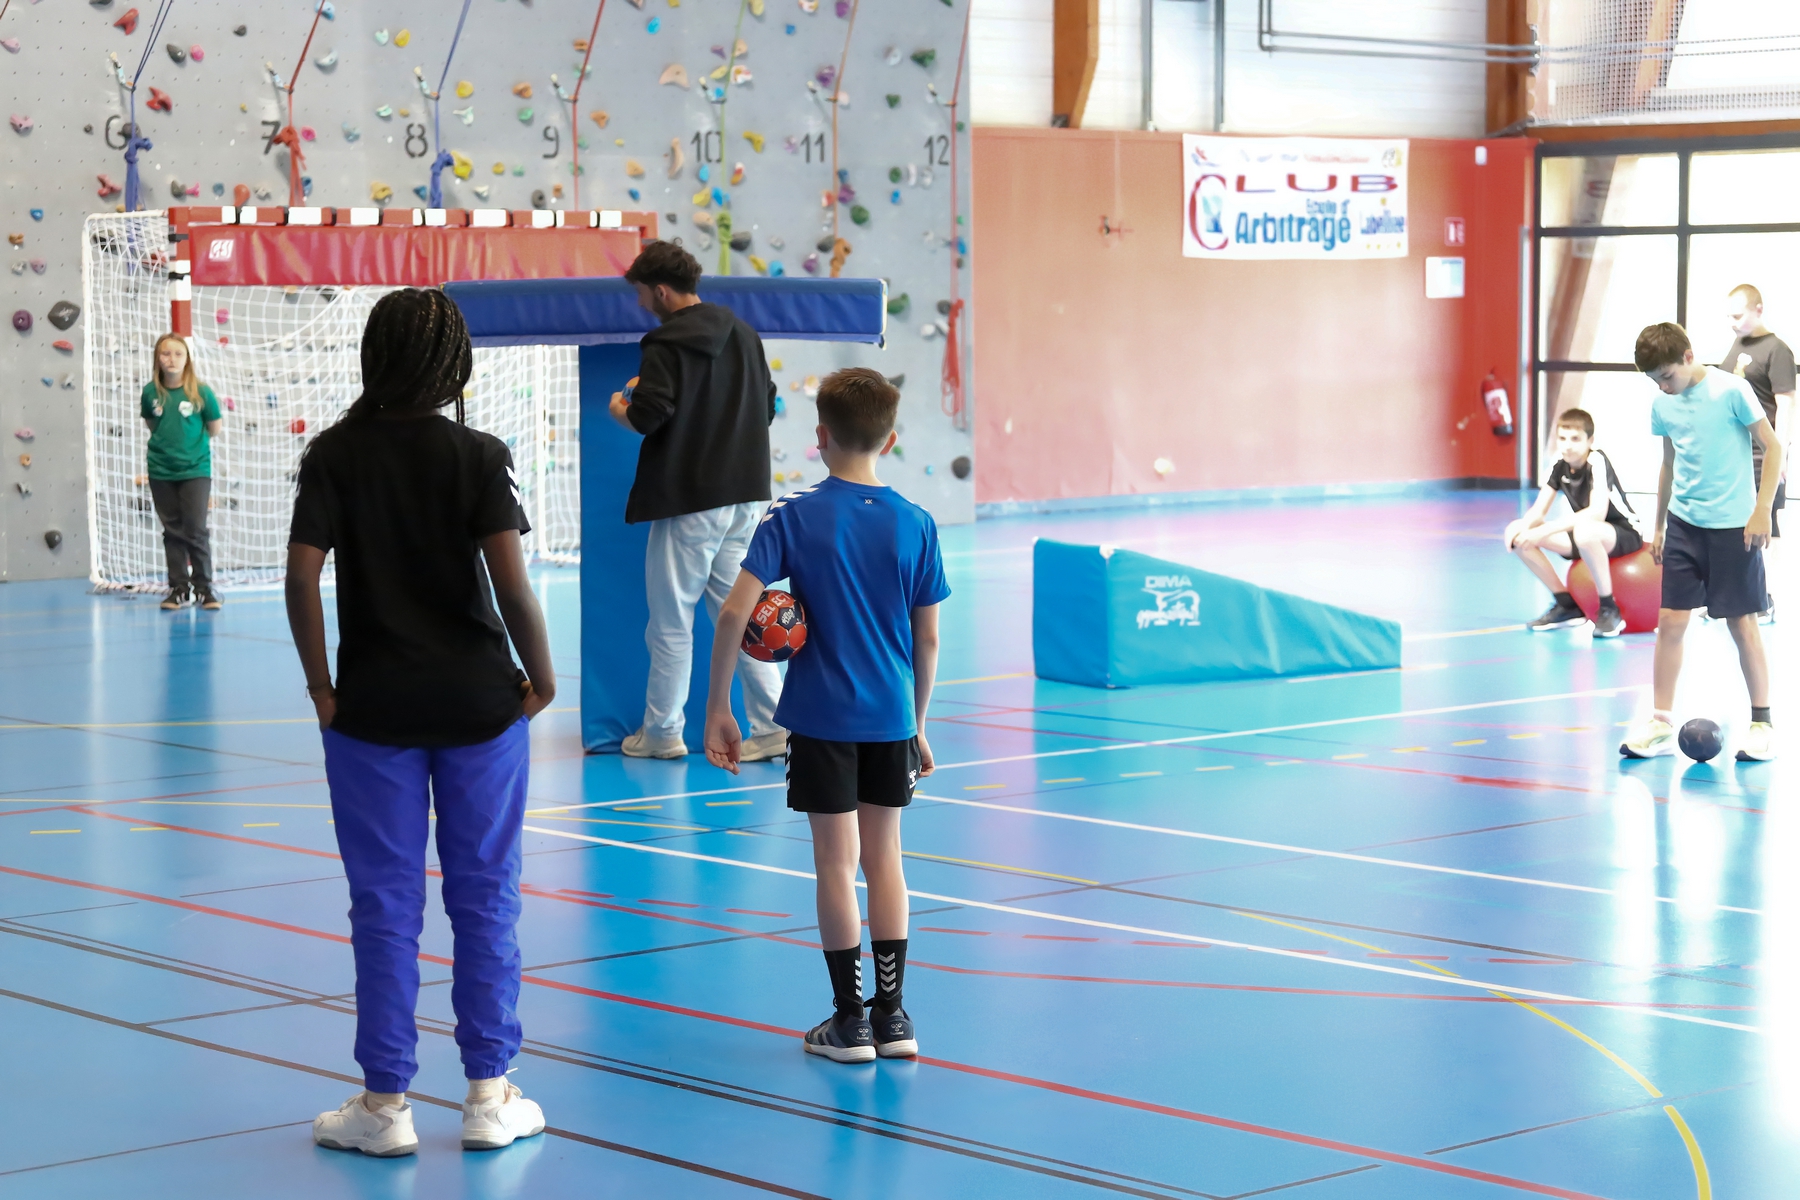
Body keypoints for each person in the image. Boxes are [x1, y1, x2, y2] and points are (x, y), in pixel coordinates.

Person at [285, 289, 556, 1157]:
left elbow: (301, 579)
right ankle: (487, 1095)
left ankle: (384, 1105)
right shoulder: (479, 453)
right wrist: (542, 675)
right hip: (480, 706)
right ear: (452, 365)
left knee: (384, 904)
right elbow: (512, 584)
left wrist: (323, 689)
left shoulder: (333, 454)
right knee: (485, 898)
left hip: (372, 713)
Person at [702, 368, 948, 1063]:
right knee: (886, 860)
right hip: (891, 718)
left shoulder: (792, 514)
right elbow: (926, 637)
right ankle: (894, 1018)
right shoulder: (917, 522)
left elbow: (732, 610)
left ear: (820, 438)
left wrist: (720, 706)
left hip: (821, 721)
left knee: (836, 867)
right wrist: (918, 722)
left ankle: (849, 1023)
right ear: (891, 439)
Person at [608, 240, 787, 762]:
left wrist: (623, 406)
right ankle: (773, 724)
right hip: (747, 496)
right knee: (739, 615)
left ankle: (662, 731)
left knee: (669, 621)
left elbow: (648, 416)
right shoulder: (745, 334)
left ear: (660, 290)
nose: (642, 303)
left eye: (642, 294)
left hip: (691, 500)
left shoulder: (664, 343)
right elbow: (767, 406)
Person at [1621, 322, 1782, 762]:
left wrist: (1762, 508)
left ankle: (1762, 723)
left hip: (1734, 527)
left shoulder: (1732, 391)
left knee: (1741, 623)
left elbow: (1773, 447)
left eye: (1667, 376)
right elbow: (1669, 465)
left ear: (1689, 357)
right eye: (1655, 381)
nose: (1663, 387)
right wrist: (1657, 526)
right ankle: (1659, 721)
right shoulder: (1662, 404)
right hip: (1684, 525)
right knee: (1671, 621)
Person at [1505, 408, 1641, 637]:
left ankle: (1609, 609)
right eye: (1562, 438)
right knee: (1518, 535)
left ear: (1590, 440)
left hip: (1623, 533)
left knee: (1586, 533)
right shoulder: (1559, 464)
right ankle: (1567, 605)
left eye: (1575, 439)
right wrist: (1522, 528)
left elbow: (1597, 512)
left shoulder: (1597, 460)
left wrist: (1544, 531)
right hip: (1585, 534)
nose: (1567, 445)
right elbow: (1538, 511)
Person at [1722, 283, 1794, 622]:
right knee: (1734, 526)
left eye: (1738, 315)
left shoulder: (1777, 350)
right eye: (1730, 316)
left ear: (1758, 309)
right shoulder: (1738, 345)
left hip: (1761, 454)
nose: (1733, 322)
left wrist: (1780, 457)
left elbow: (1786, 405)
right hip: (1735, 454)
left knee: (1765, 525)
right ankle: (1736, 595)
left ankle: (1764, 599)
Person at [142, 333, 224, 610]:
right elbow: (152, 424)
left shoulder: (202, 392)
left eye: (178, 354)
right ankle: (178, 589)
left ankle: (205, 589)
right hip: (161, 470)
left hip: (195, 470)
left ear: (187, 358)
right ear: (158, 358)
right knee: (172, 531)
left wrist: (191, 450)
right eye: (166, 354)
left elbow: (214, 427)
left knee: (196, 529)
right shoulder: (151, 393)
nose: (172, 359)